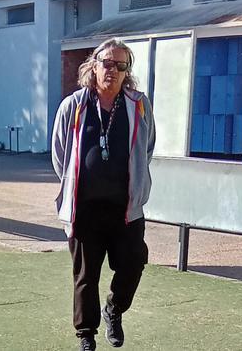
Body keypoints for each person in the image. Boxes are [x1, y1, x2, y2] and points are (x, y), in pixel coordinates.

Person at [52, 39, 156, 349]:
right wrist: (74, 184)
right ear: (94, 66)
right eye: (107, 63)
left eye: (120, 65)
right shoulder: (73, 105)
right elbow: (60, 154)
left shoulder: (138, 105)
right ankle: (86, 335)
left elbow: (146, 147)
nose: (112, 70)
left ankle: (114, 309)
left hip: (125, 208)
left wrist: (135, 180)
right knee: (86, 276)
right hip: (85, 209)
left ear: (127, 72)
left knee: (134, 260)